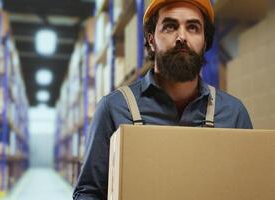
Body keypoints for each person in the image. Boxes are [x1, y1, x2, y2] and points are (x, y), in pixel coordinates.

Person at [73, 0, 253, 199]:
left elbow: (250, 190)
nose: (181, 37)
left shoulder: (233, 114)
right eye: (170, 26)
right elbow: (88, 192)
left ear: (205, 41)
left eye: (193, 27)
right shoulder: (114, 109)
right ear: (151, 39)